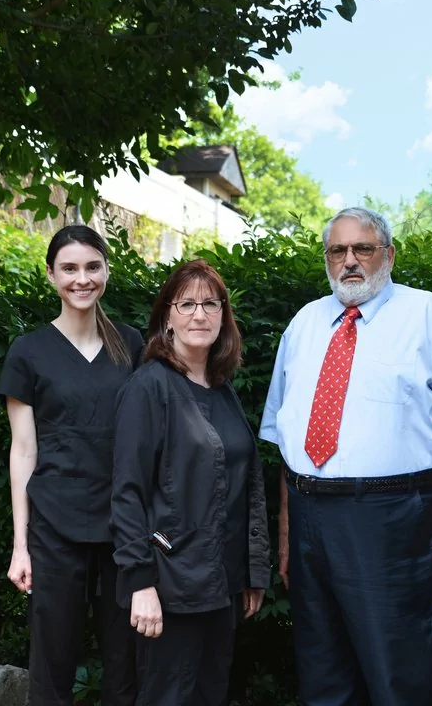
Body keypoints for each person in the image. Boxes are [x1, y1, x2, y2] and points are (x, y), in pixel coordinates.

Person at [259, 206, 432, 706]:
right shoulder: (304, 324)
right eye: (337, 250)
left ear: (387, 255)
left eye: (362, 248)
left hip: (397, 522)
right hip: (311, 522)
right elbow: (287, 443)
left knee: (402, 675)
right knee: (323, 673)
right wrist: (288, 534)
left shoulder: (428, 314)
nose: (349, 260)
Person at [111, 259, 269, 706]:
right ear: (167, 317)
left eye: (210, 304)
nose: (199, 314)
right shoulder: (149, 387)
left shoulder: (223, 389)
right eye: (187, 304)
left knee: (210, 694)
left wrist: (251, 570)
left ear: (223, 315)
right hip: (168, 583)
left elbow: (244, 484)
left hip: (220, 582)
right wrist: (141, 583)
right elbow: (127, 492)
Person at [0, 225, 142, 706]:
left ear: (106, 270)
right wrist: (21, 544)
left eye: (92, 267)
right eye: (70, 269)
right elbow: (23, 451)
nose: (82, 279)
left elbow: (147, 440)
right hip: (55, 527)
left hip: (123, 525)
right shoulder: (29, 351)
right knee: (53, 663)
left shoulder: (132, 344)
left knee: (125, 662)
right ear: (51, 276)